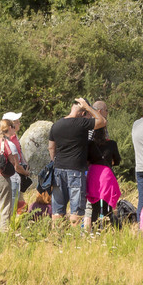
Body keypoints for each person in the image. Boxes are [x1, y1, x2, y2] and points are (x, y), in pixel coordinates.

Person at [47, 97, 105, 230]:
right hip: (76, 170)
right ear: (82, 112)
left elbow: (51, 147)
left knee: (57, 211)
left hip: (58, 170)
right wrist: (89, 107)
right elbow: (102, 121)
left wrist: (55, 161)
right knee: (76, 211)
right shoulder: (81, 123)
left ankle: (56, 237)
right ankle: (74, 240)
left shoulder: (56, 125)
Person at [86, 105, 122, 226]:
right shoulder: (112, 144)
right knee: (107, 207)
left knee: (94, 207)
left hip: (93, 174)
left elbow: (87, 159)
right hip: (106, 174)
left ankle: (95, 229)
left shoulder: (90, 144)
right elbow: (117, 161)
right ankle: (113, 229)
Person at [0, 112, 30, 215]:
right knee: (16, 201)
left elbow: (19, 152)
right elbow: (14, 161)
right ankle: (15, 221)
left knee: (19, 199)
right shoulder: (9, 139)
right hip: (14, 173)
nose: (19, 123)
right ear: (10, 125)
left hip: (19, 170)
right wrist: (24, 171)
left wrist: (24, 162)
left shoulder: (14, 136)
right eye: (17, 122)